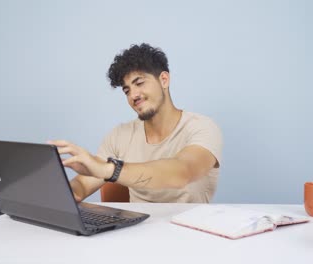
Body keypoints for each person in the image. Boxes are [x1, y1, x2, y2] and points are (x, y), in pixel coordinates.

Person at [49, 43, 222, 203]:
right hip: (135, 233)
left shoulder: (202, 127)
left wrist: (109, 170)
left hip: (189, 233)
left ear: (164, 80)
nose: (133, 95)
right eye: (127, 90)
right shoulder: (119, 135)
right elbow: (84, 184)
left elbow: (182, 172)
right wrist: (61, 193)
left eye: (139, 83)